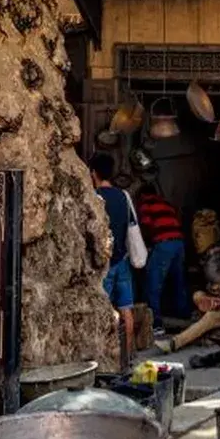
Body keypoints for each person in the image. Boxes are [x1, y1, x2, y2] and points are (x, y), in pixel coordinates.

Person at [159, 238, 220, 352]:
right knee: (198, 295)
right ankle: (208, 324)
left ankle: (173, 343)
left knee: (211, 317)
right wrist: (215, 293)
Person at [89, 155, 138, 364]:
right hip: (123, 260)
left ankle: (107, 358)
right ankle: (128, 356)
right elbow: (131, 226)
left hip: (105, 263)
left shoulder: (94, 197)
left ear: (93, 173)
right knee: (126, 310)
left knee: (105, 310)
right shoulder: (123, 196)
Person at [134, 185, 187, 328]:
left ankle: (154, 322)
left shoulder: (146, 203)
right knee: (178, 281)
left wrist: (144, 245)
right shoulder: (166, 203)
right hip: (179, 243)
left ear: (142, 195)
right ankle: (183, 316)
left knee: (153, 282)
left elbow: (145, 225)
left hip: (164, 244)